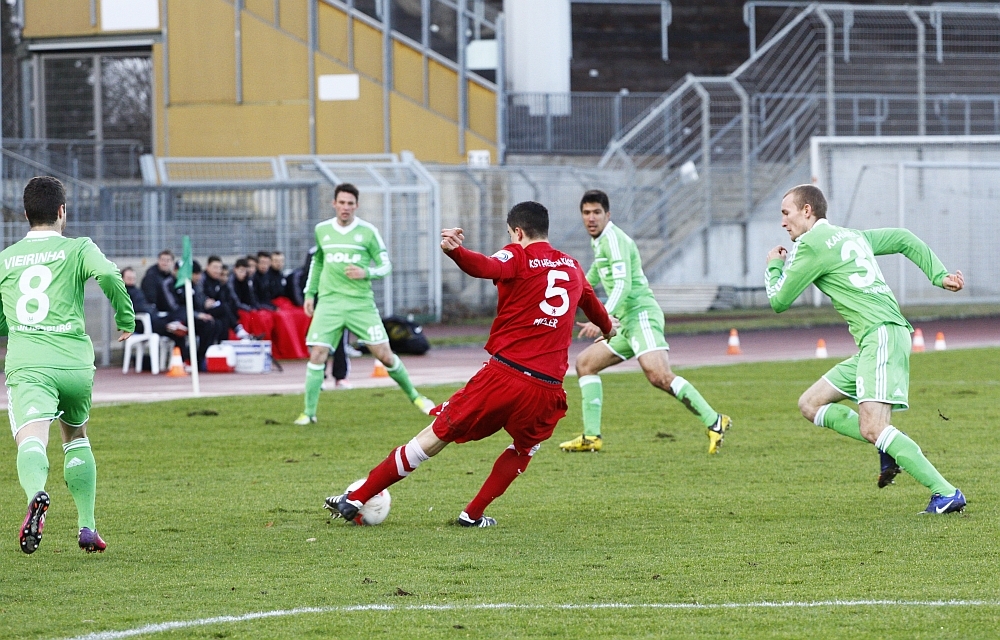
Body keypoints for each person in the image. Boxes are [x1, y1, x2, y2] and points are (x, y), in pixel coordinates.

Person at [326, 201, 615, 527]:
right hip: (547, 388)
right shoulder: (572, 266)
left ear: (518, 232)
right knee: (524, 450)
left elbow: (485, 266)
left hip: (504, 375)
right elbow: (594, 307)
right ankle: (472, 515)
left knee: (434, 437)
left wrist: (455, 252)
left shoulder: (518, 255)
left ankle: (357, 497)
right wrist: (608, 330)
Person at [766, 184, 966, 514]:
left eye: (786, 213)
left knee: (872, 427)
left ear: (807, 211)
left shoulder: (809, 245)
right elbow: (902, 238)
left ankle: (945, 493)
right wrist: (939, 275)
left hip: (881, 336)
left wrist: (774, 265)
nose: (783, 222)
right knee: (810, 404)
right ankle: (890, 443)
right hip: (878, 339)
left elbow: (779, 300)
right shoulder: (851, 236)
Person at [0, 176, 135, 554]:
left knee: (31, 438)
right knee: (76, 437)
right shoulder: (78, 248)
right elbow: (108, 273)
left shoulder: (6, 259)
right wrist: (125, 316)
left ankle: (36, 494)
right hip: (75, 365)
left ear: (25, 214)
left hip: (31, 364)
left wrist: (14, 326)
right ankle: (87, 526)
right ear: (62, 211)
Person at [560, 190, 732, 453]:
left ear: (608, 215)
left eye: (596, 212)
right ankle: (592, 437)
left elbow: (623, 285)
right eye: (586, 213)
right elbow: (594, 275)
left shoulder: (614, 240)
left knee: (659, 376)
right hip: (625, 323)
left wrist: (601, 317)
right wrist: (568, 298)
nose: (591, 218)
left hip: (641, 316)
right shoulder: (600, 241)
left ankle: (715, 421)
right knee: (585, 364)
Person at [295, 183, 432, 425]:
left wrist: (366, 272)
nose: (345, 207)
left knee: (385, 356)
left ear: (356, 206)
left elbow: (386, 265)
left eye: (350, 203)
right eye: (342, 202)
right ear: (334, 204)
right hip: (329, 302)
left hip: (360, 304)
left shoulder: (368, 232)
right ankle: (308, 413)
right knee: (317, 354)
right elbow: (318, 263)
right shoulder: (322, 230)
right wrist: (309, 293)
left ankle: (416, 397)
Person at [122, 266, 187, 346]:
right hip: (140, 322)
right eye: (129, 278)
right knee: (170, 327)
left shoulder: (137, 290)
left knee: (177, 319)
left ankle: (176, 327)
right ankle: (172, 326)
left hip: (153, 317)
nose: (131, 280)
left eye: (133, 278)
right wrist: (149, 309)